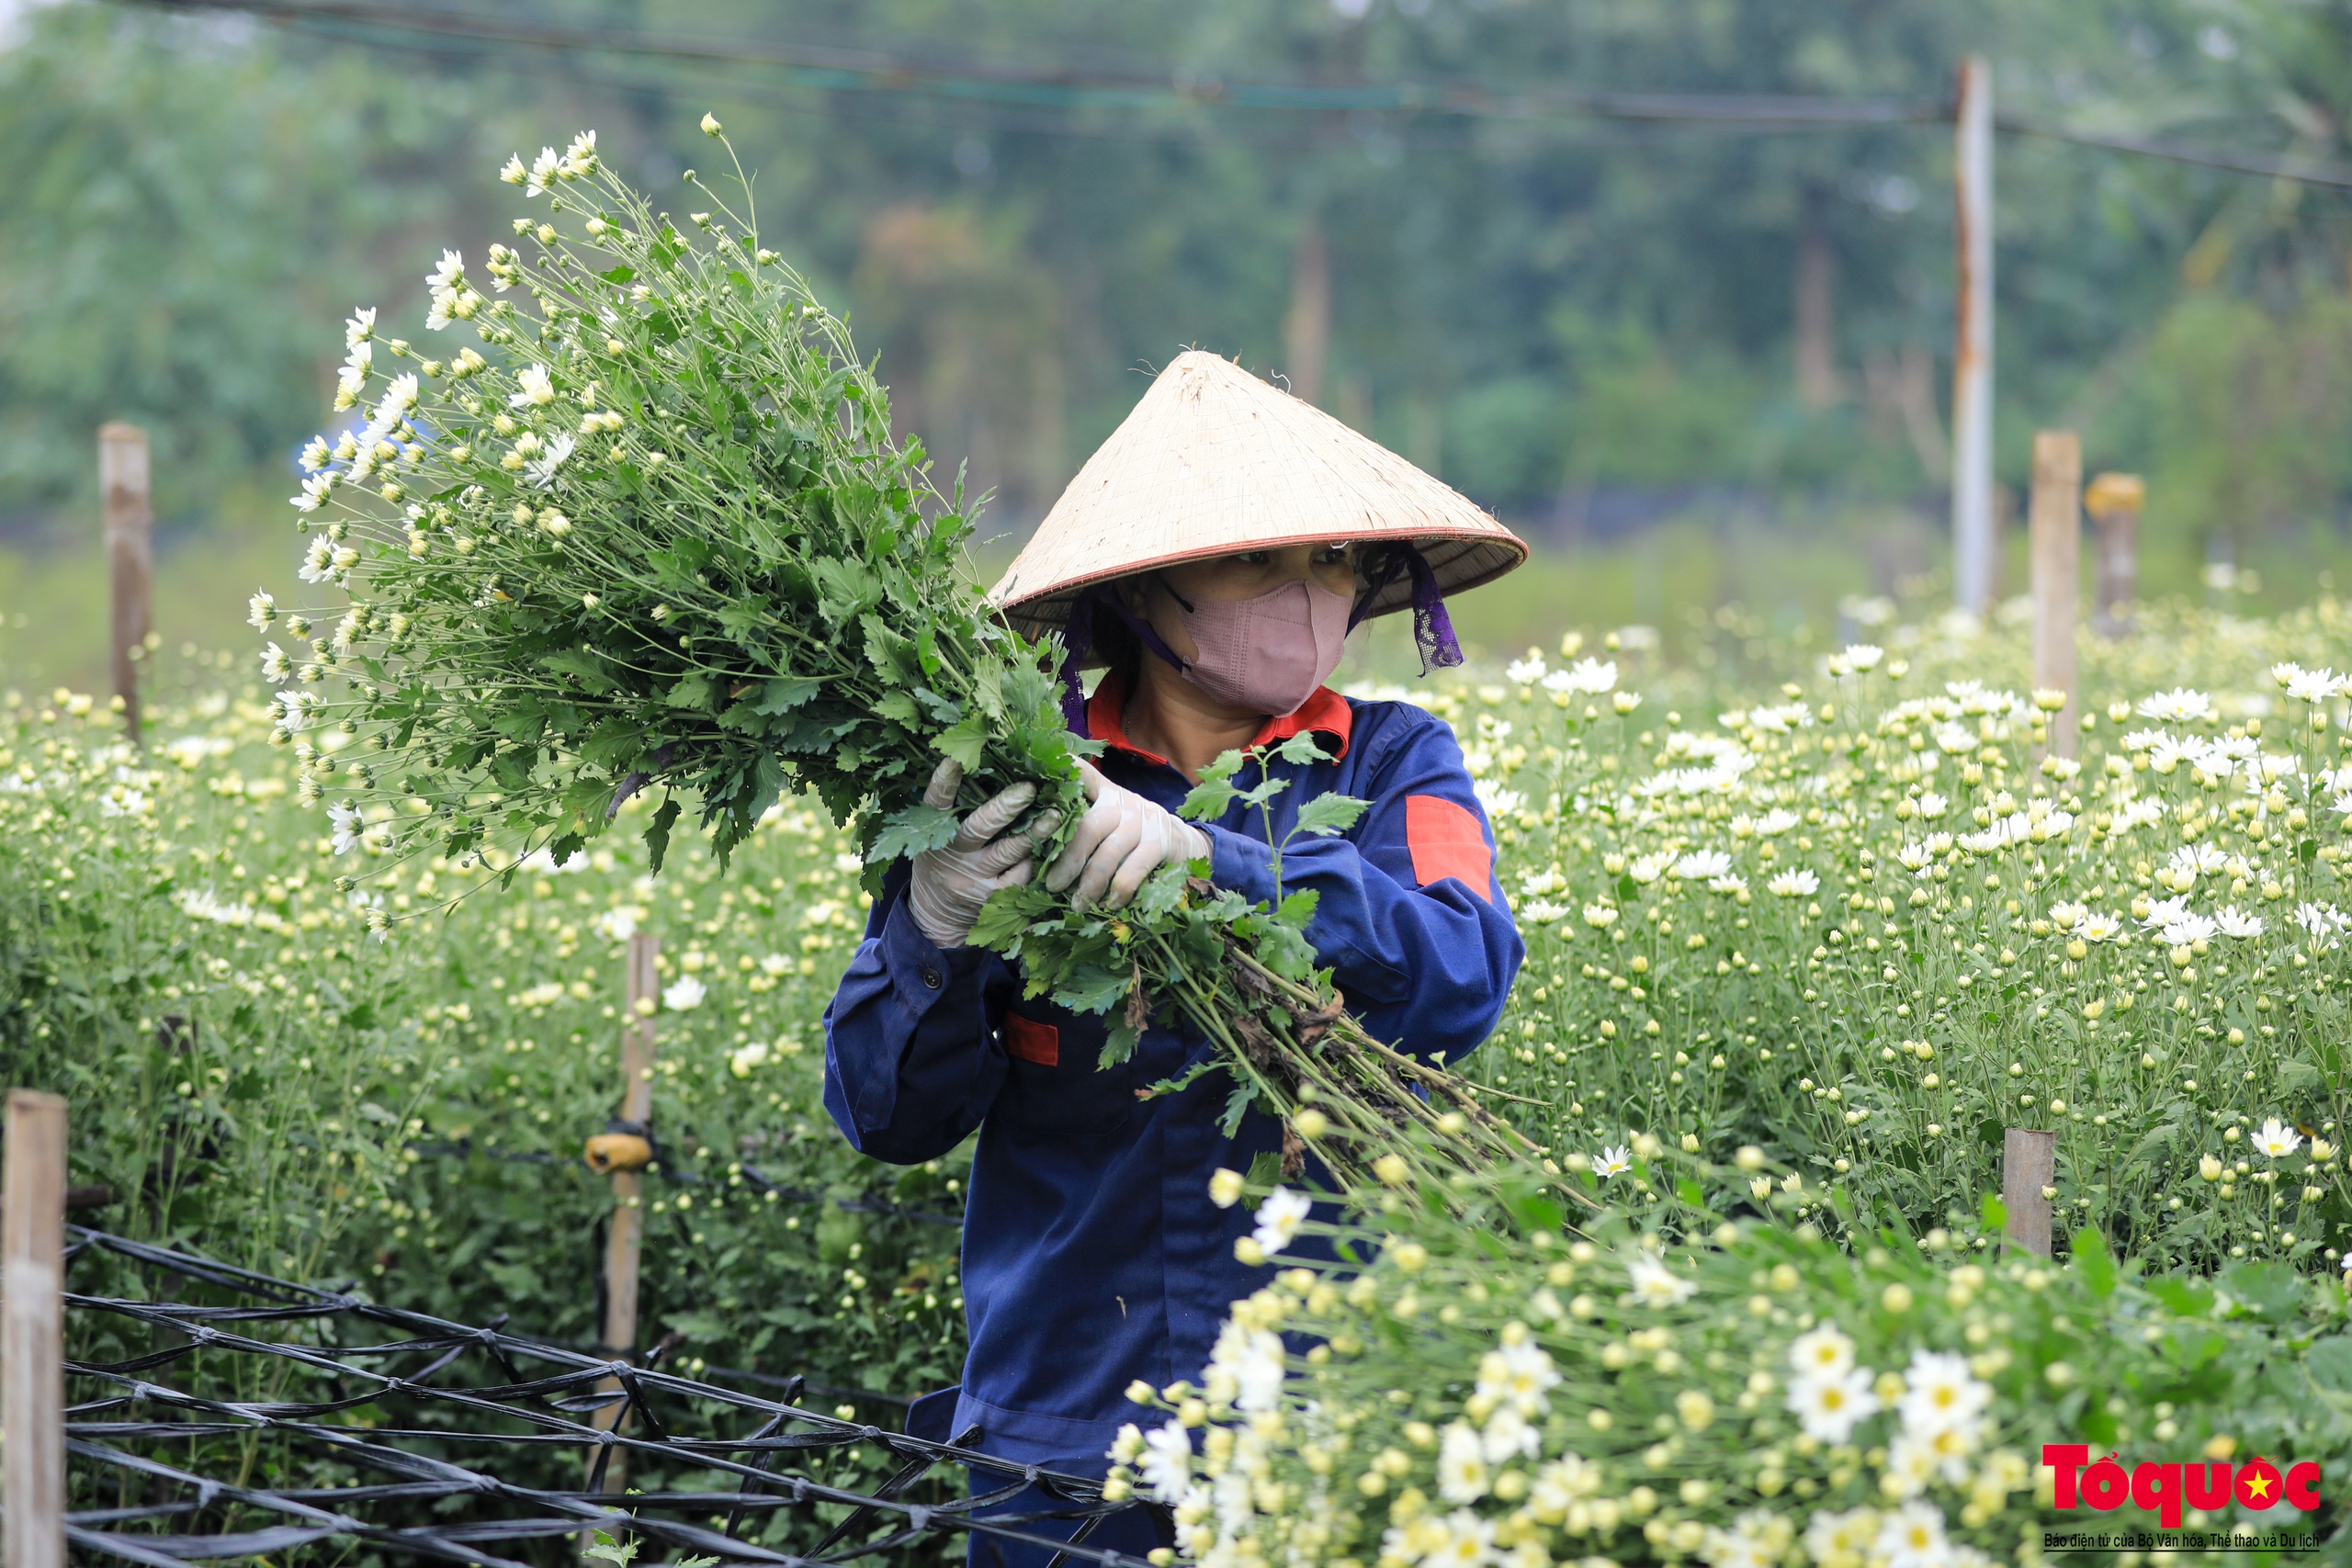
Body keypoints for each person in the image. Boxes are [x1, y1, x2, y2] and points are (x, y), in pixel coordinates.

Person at [821, 352, 1527, 1565]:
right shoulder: (1021, 787)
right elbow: (888, 1114)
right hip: (1062, 1439)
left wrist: (1218, 866)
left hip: (1326, 1423)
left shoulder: (1395, 762)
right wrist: (931, 923)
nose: (1305, 594)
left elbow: (1462, 975)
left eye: (1329, 560)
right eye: (1257, 558)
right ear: (1145, 586)